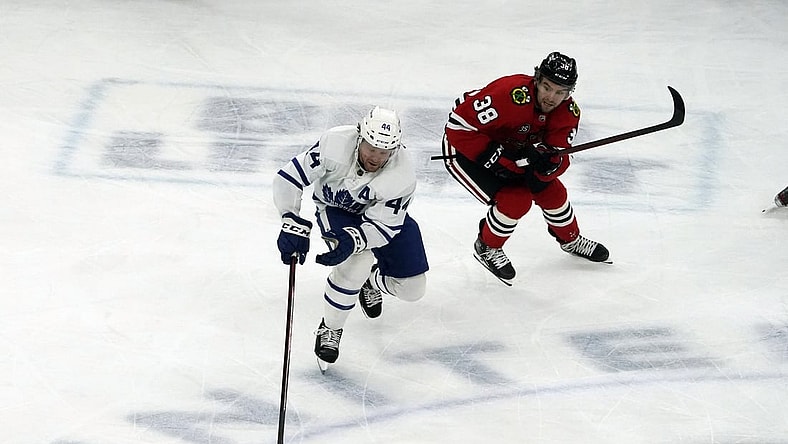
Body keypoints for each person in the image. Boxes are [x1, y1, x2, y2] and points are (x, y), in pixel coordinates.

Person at [273, 106, 429, 368]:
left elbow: (385, 227)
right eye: (371, 148)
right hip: (337, 210)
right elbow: (290, 176)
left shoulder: (401, 176)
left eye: (384, 152)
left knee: (414, 289)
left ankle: (373, 281)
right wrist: (291, 219)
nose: (376, 157)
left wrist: (355, 240)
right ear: (360, 137)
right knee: (355, 264)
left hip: (384, 221)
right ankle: (331, 328)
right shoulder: (334, 143)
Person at [440, 51, 609, 286]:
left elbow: (560, 157)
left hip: (515, 151)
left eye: (561, 92)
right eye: (548, 87)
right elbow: (458, 126)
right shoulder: (510, 94)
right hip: (467, 146)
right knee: (515, 201)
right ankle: (487, 246)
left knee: (553, 192)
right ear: (537, 79)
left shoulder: (568, 113)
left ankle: (570, 239)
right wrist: (496, 159)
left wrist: (547, 164)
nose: (552, 97)